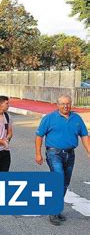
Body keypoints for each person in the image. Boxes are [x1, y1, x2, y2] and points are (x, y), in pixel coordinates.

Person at [35, 94, 90, 226]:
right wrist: (38, 153)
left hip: (70, 154)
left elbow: (84, 135)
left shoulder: (76, 118)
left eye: (68, 104)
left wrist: (89, 150)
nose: (65, 106)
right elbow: (39, 136)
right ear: (57, 105)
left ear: (71, 104)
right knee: (58, 179)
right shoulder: (49, 118)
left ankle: (56, 208)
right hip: (54, 153)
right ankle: (53, 212)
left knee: (65, 183)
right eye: (63, 104)